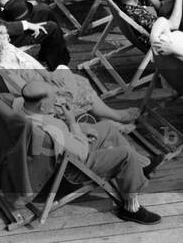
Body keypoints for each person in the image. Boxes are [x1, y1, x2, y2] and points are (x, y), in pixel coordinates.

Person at [19, 81, 159, 225]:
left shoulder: (21, 111)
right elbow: (82, 153)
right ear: (42, 106)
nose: (56, 100)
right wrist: (72, 122)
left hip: (57, 154)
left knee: (106, 127)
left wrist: (78, 130)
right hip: (70, 170)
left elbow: (62, 137)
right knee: (126, 155)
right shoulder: (52, 128)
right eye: (53, 99)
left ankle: (141, 166)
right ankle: (131, 208)